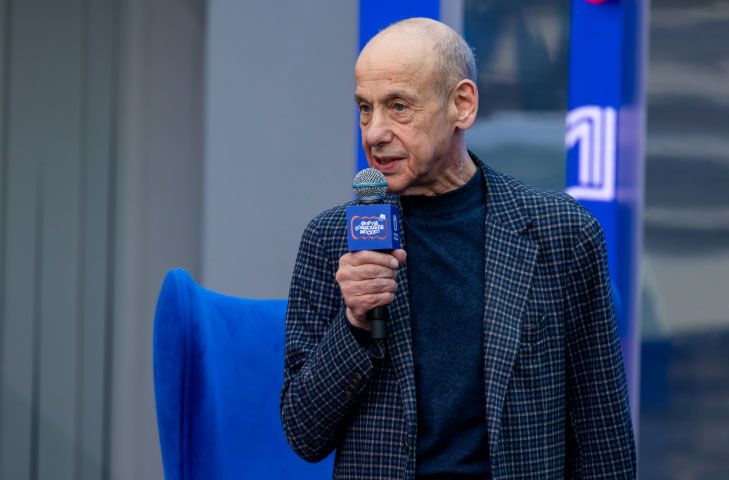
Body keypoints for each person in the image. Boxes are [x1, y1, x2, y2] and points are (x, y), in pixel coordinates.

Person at [281, 17, 636, 479]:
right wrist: (354, 324)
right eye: (365, 108)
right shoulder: (332, 239)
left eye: (398, 106)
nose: (373, 132)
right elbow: (303, 434)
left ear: (462, 105)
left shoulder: (562, 234)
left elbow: (603, 436)